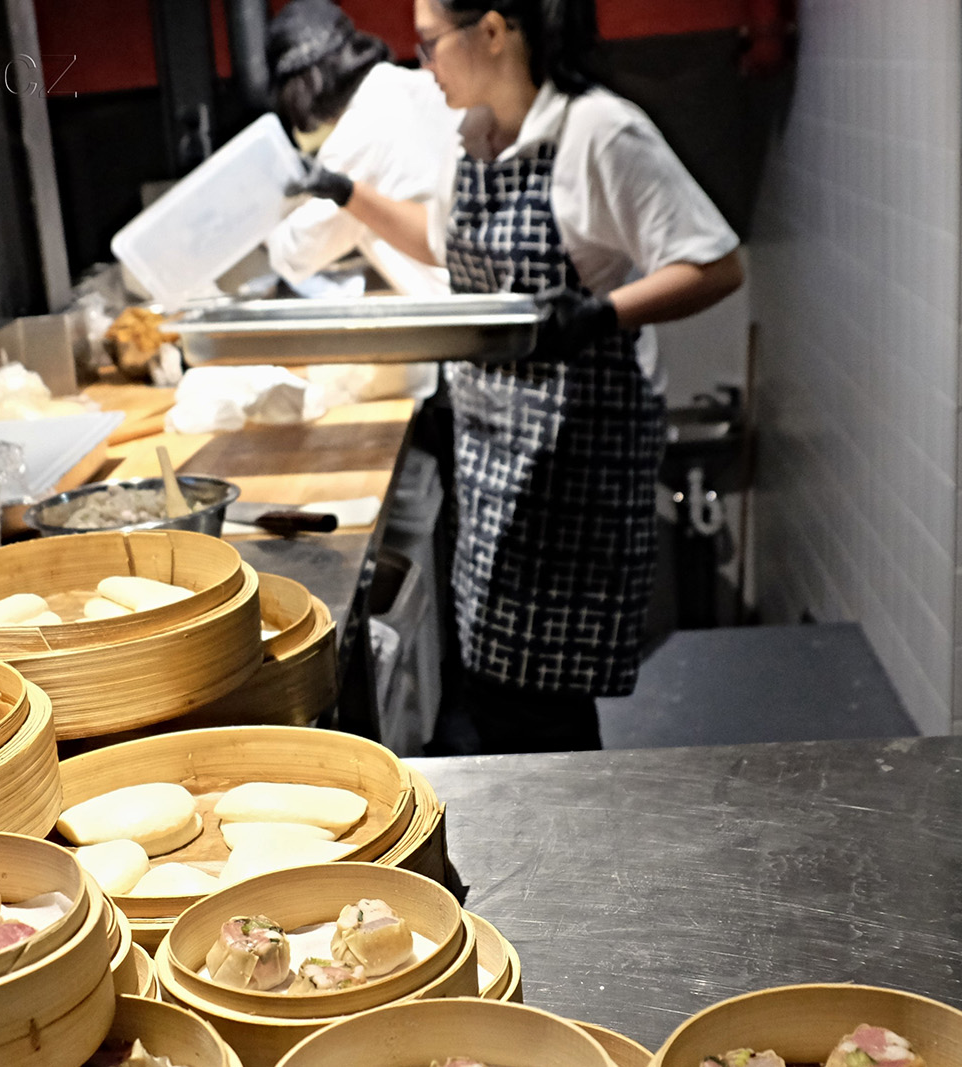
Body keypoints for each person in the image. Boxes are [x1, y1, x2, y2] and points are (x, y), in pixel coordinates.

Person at [290, 0, 744, 753]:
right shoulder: (469, 139)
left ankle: (575, 848)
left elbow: (717, 262)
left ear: (494, 32)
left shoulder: (595, 132)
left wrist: (596, 315)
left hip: (577, 453)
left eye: (431, 43)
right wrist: (343, 190)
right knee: (502, 680)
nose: (422, 62)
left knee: (542, 696)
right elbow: (440, 246)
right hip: (493, 446)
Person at [264, 0, 463, 297]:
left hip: (454, 303)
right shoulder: (417, 85)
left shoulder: (357, 132)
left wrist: (261, 214)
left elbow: (296, 254)